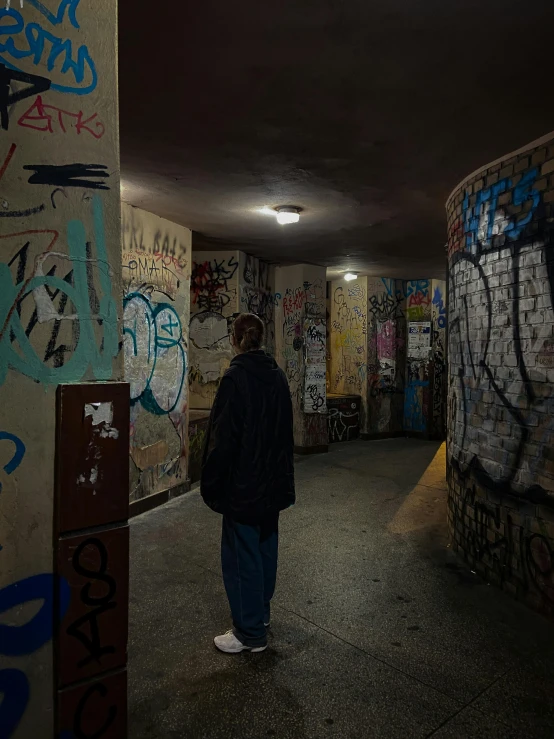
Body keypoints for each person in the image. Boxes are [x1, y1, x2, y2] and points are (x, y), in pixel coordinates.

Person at [201, 313, 295, 653]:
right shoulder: (278, 376)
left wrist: (211, 483)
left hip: (243, 485)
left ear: (235, 339)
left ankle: (249, 633)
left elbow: (222, 440)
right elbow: (285, 433)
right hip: (272, 482)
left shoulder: (235, 379)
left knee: (242, 556)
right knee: (266, 548)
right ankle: (262, 615)